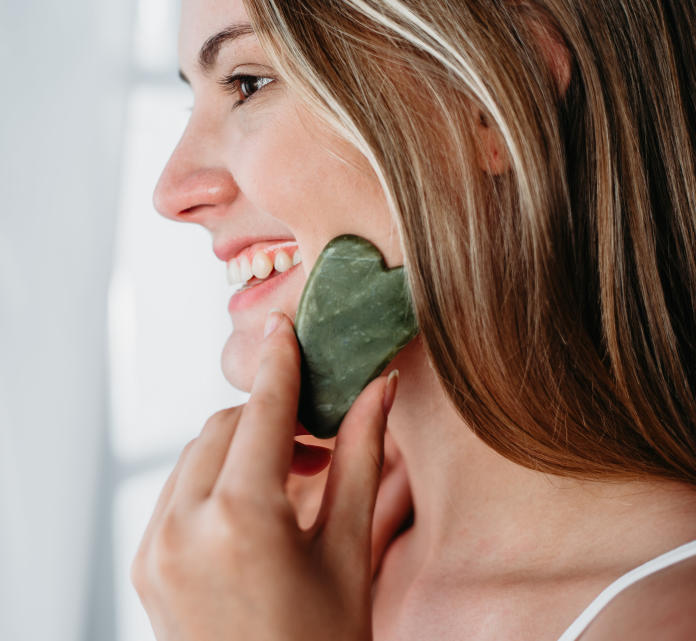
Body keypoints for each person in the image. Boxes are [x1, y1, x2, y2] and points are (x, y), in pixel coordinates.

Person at [132, 0, 696, 638]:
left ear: (496, 99)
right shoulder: (290, 576)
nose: (172, 191)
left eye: (248, 84)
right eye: (193, 102)